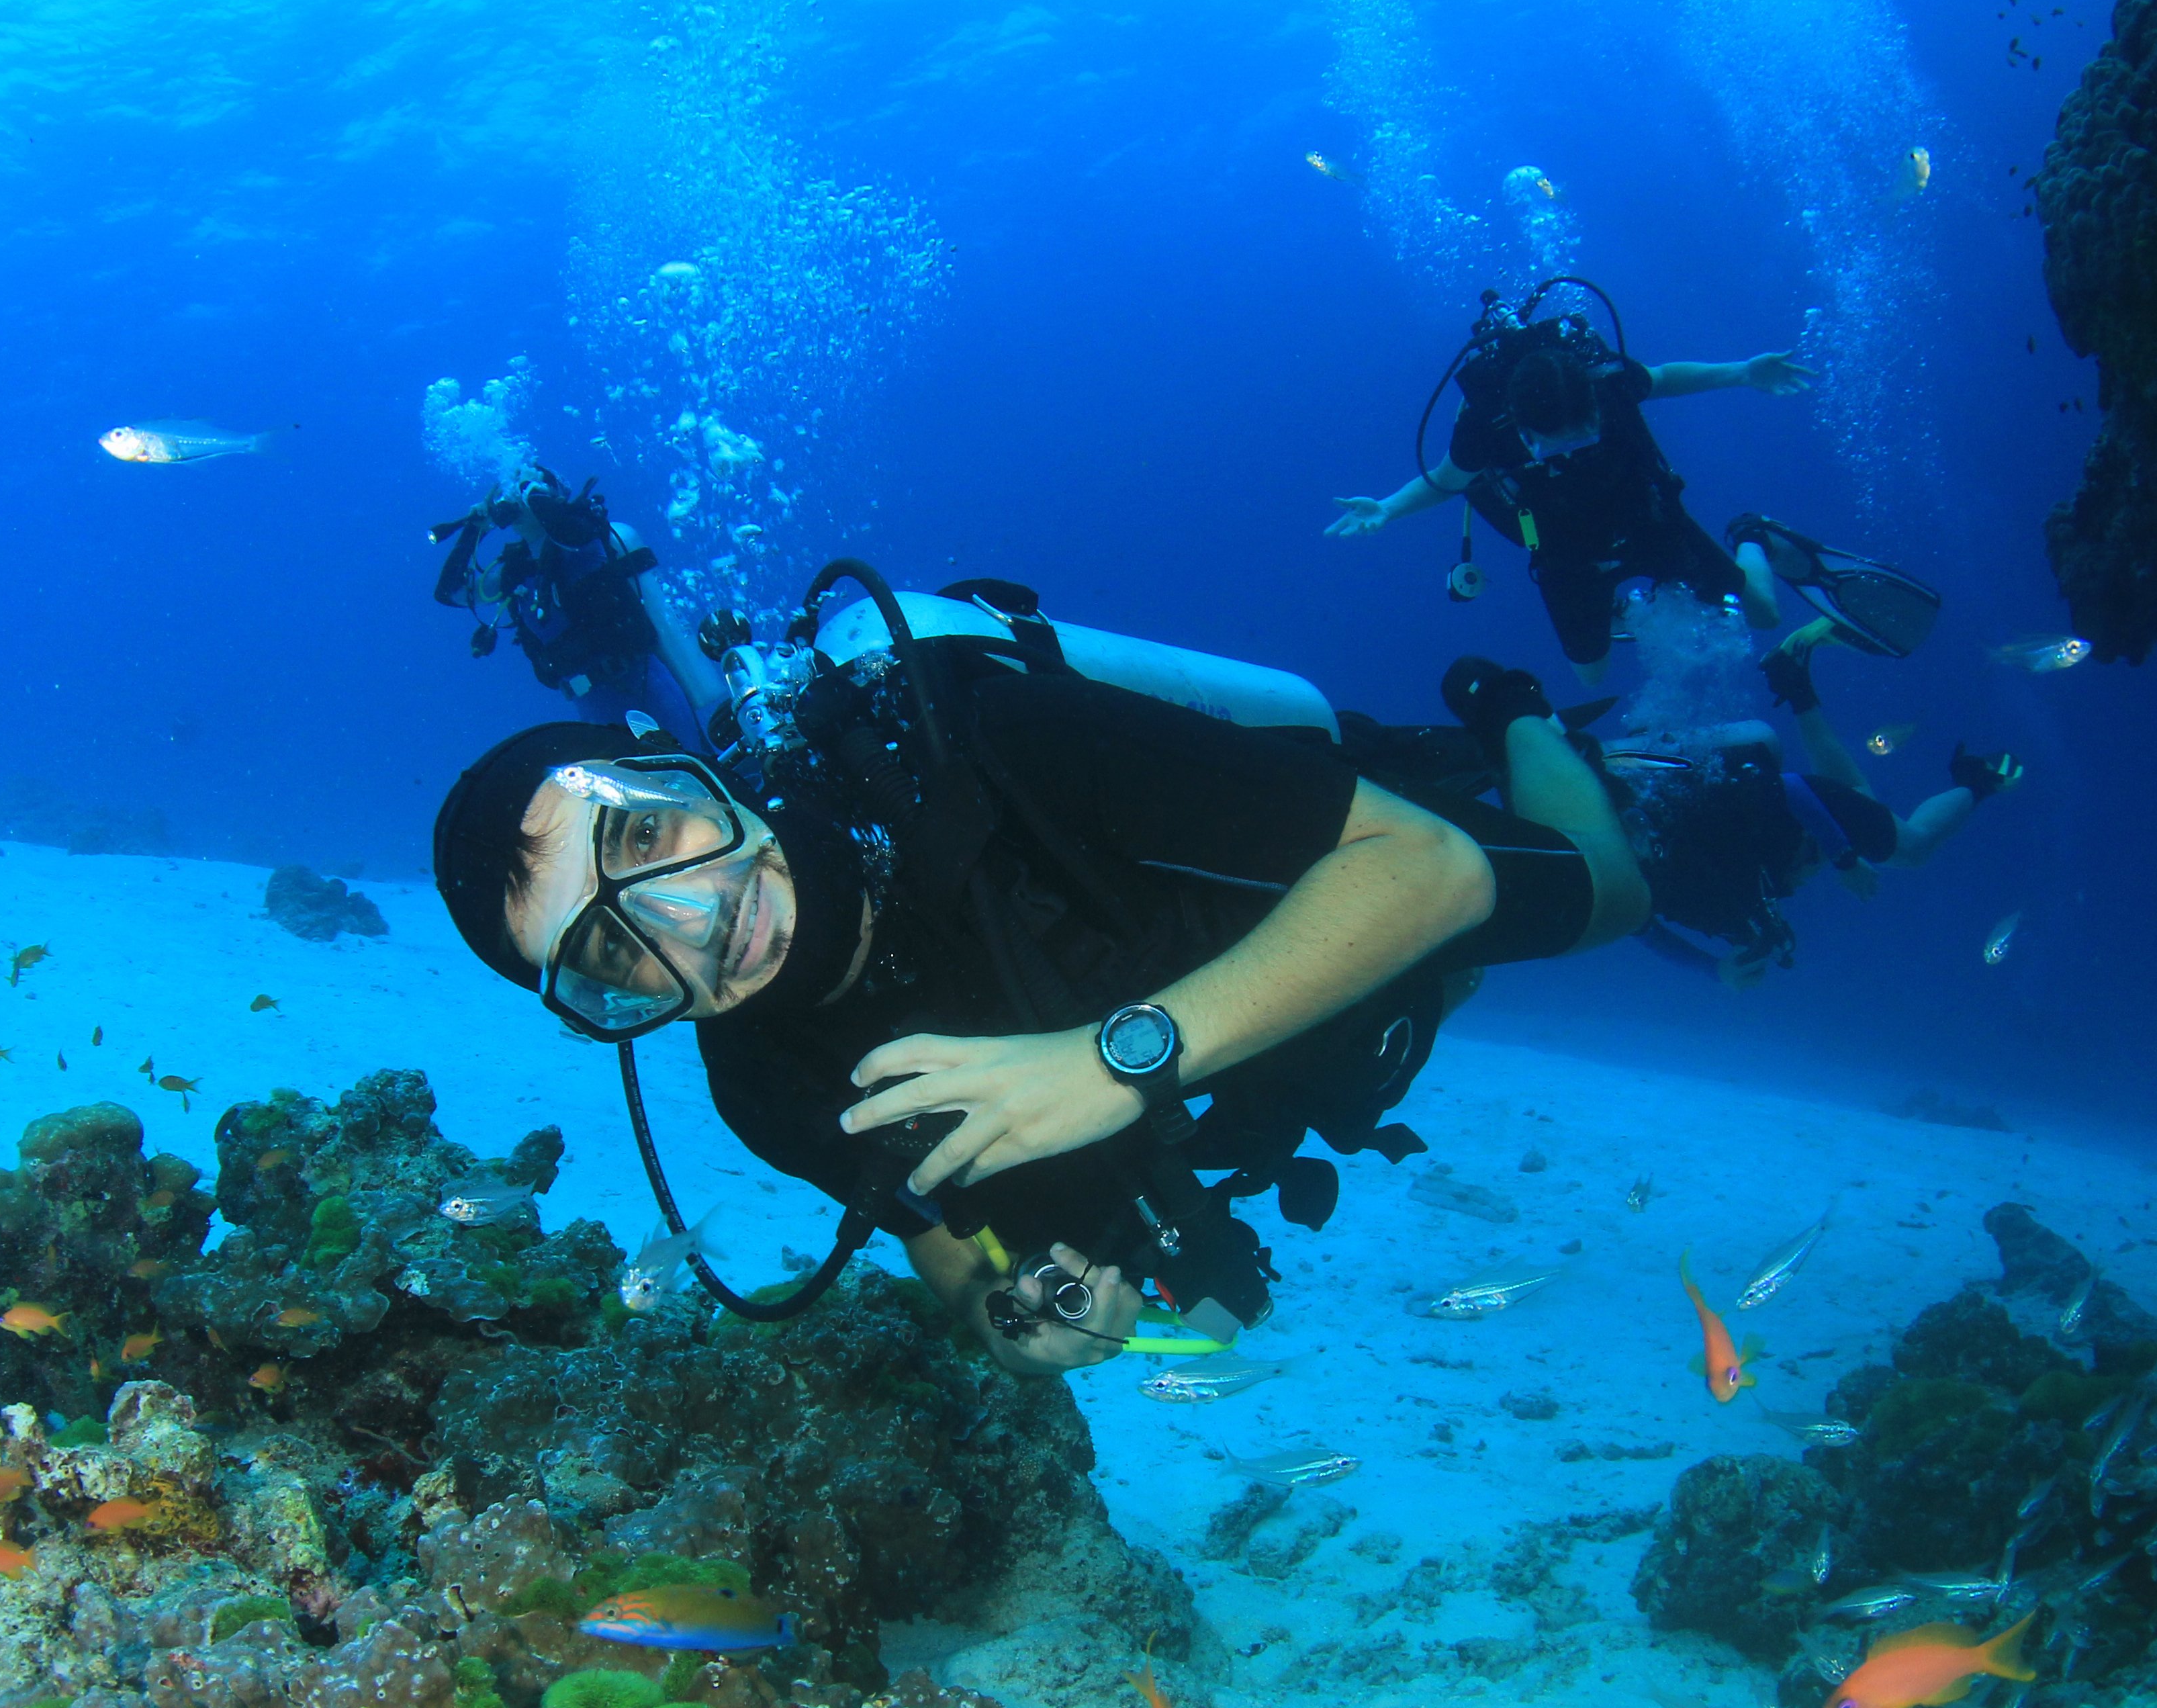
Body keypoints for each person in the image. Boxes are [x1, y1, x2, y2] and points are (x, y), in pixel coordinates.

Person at [429, 572, 1647, 1379]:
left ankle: (1513, 714)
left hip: (1312, 861)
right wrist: (1021, 1328)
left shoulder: (990, 748)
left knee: (1606, 892)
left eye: (645, 836)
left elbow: (1429, 871)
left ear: (685, 770)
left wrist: (1116, 1060)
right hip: (1293, 1036)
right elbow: (947, 1249)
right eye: (605, 954)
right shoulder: (763, 1084)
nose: (693, 928)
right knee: (1427, 993)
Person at [1325, 291, 1833, 680]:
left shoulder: (1608, 381)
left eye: (1582, 434)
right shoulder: (1487, 426)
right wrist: (1387, 509)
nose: (1570, 450)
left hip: (1644, 514)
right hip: (1563, 547)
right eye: (1552, 444)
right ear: (1521, 428)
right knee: (1590, 675)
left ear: (1594, 403)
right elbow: (1445, 481)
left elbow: (1664, 378)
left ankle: (1751, 535)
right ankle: (1617, 606)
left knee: (1763, 615)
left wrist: (1743, 371)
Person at [1611, 631, 2021, 985]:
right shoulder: (1634, 873)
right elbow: (1645, 931)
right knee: (1857, 795)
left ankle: (1978, 780)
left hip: (1784, 790)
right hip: (1765, 794)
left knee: (1912, 848)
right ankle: (1795, 684)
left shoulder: (1674, 837)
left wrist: (1843, 859)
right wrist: (1716, 970)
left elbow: (1789, 787)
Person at [432, 465, 729, 747]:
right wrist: (475, 529)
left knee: (690, 776)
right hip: (590, 706)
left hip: (644, 688)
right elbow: (451, 592)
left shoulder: (589, 534)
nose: (515, 503)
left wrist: (533, 490)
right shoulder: (515, 570)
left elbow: (570, 534)